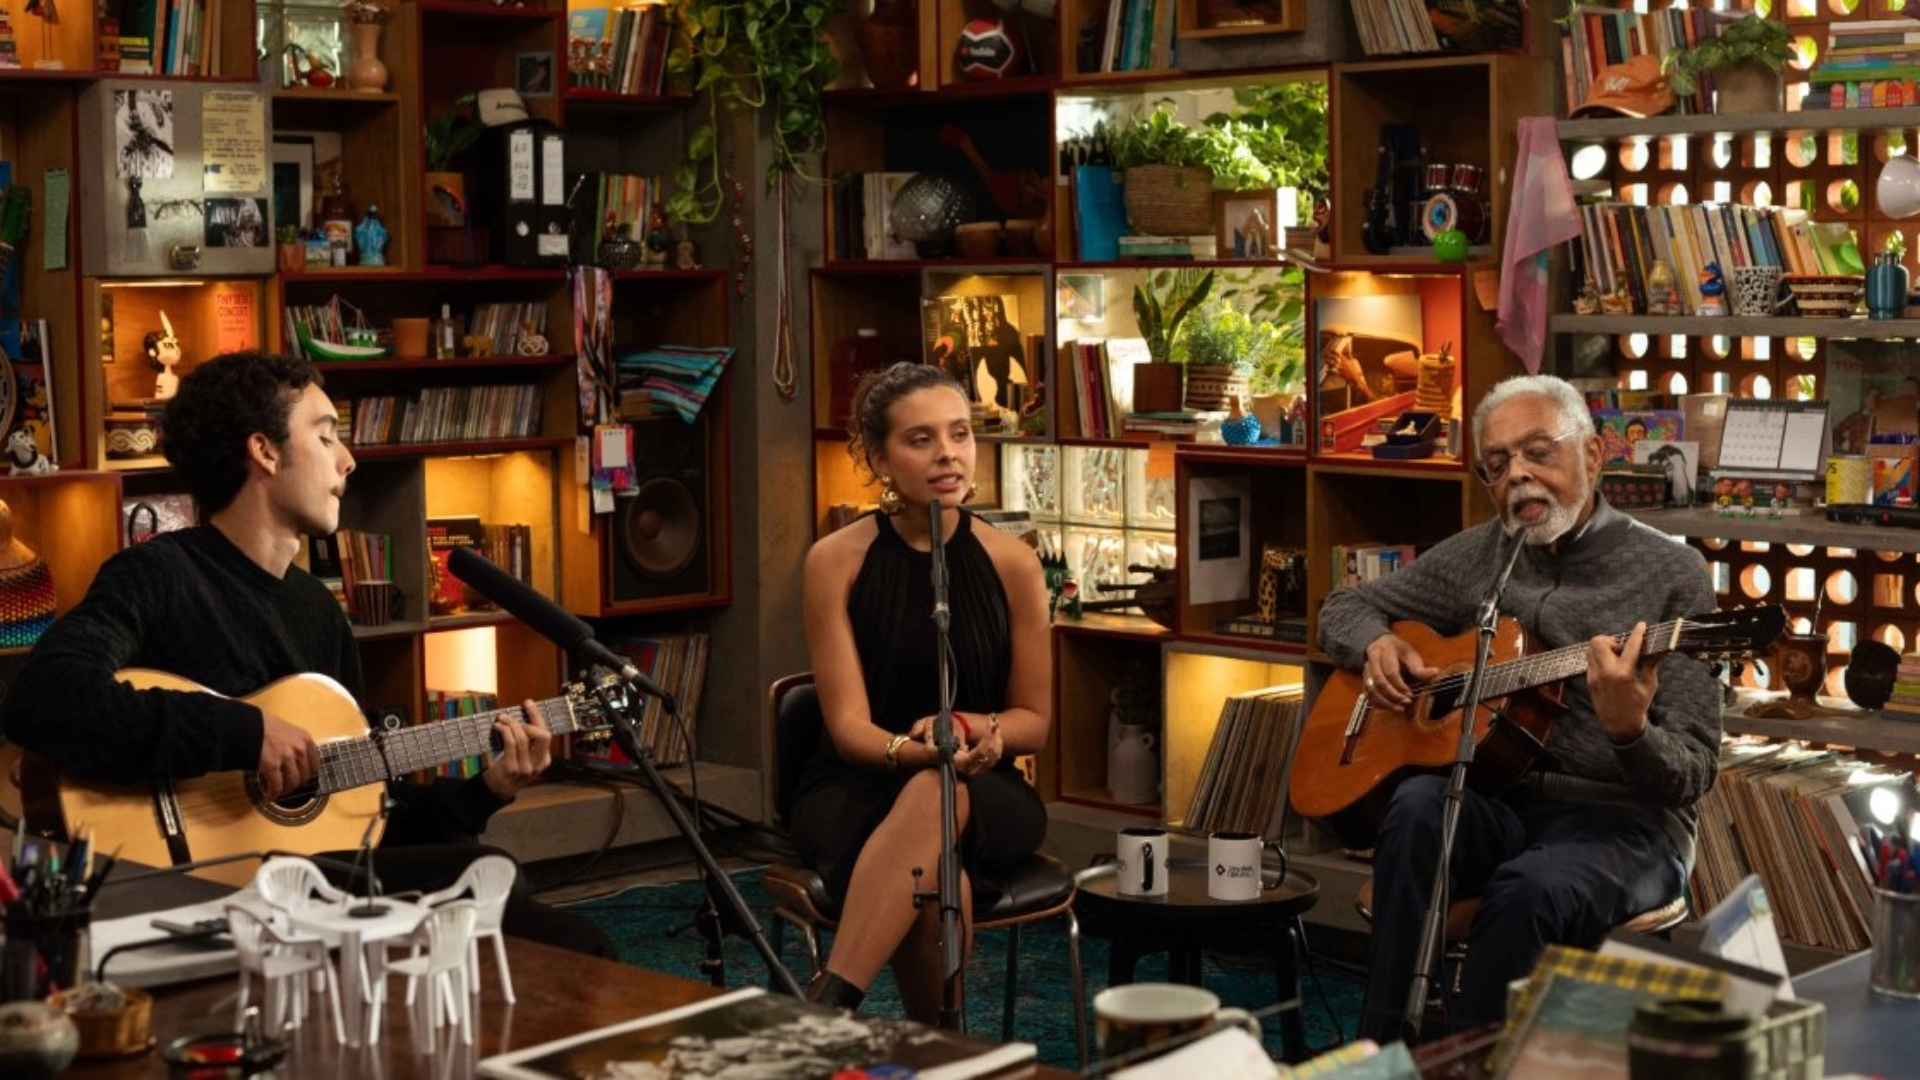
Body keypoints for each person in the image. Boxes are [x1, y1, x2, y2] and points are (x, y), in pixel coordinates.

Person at [5, 350, 613, 957]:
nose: (348, 459)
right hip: (187, 890)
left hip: (304, 890)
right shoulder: (159, 576)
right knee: (491, 883)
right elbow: (44, 695)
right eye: (325, 437)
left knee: (550, 923)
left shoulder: (319, 612)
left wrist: (488, 790)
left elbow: (365, 823)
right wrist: (245, 732)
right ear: (264, 452)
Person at [1319, 373, 1720, 1043]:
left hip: (1624, 823)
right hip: (1497, 800)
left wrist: (1629, 731)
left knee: (1527, 890)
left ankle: (1479, 1061)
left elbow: (1694, 771)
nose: (1519, 476)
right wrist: (1376, 644)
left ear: (1592, 454)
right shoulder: (1482, 555)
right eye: (1498, 464)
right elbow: (1344, 605)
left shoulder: (1673, 575)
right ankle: (1384, 1047)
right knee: (1415, 806)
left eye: (1538, 452)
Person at [791, 361, 1051, 1021]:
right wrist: (921, 753)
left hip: (984, 785)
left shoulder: (1015, 563)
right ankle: (942, 1045)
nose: (948, 454)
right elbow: (848, 728)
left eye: (960, 434)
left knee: (943, 793)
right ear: (880, 458)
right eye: (921, 439)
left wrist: (965, 730)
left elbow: (1034, 721)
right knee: (937, 870)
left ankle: (829, 1005)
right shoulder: (835, 561)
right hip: (857, 784)